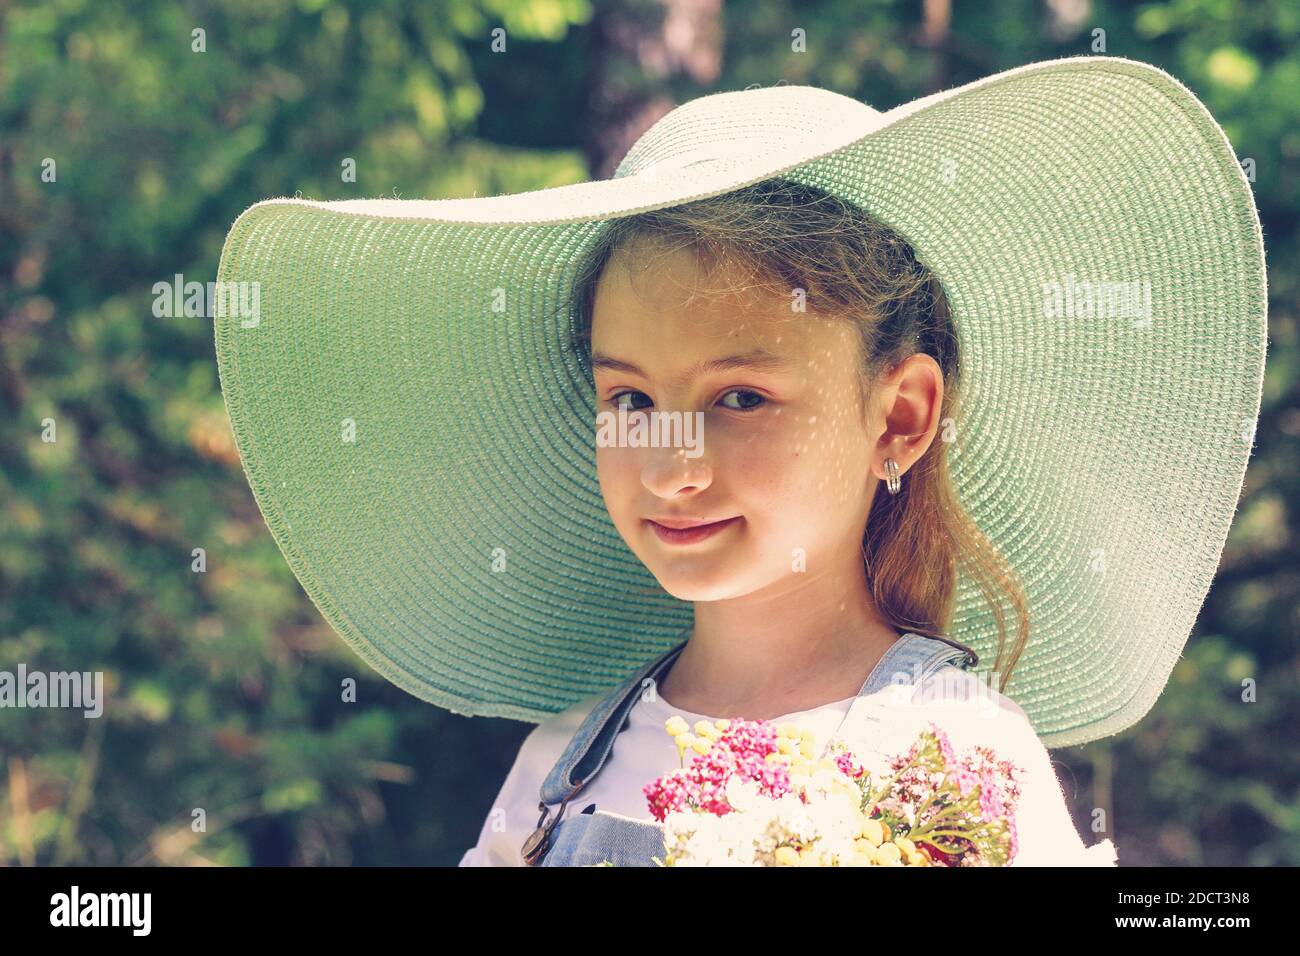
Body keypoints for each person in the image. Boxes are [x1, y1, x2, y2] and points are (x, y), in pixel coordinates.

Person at [212, 56, 1267, 867]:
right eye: (630, 397)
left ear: (899, 418)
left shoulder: (948, 757)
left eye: (740, 399)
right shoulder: (562, 768)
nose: (670, 463)